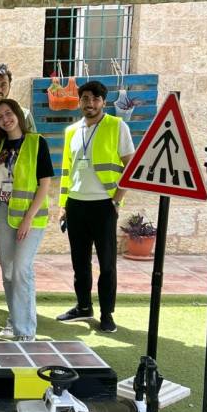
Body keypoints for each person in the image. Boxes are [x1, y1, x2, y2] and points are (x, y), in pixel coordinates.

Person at [57, 80, 134, 333]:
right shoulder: (71, 131)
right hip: (76, 204)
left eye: (95, 99)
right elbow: (67, 171)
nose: (90, 103)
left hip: (104, 205)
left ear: (103, 102)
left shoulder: (116, 126)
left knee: (107, 264)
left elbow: (131, 166)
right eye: (85, 98)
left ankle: (106, 314)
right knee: (80, 262)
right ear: (79, 101)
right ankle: (83, 307)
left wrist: (117, 199)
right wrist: (63, 205)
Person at [0, 98, 54, 341]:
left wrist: (28, 218)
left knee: (21, 269)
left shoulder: (37, 142)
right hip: (1, 213)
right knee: (8, 272)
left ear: (18, 114)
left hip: (30, 217)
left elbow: (45, 184)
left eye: (8, 113)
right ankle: (14, 321)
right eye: (0, 117)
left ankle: (26, 331)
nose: (5, 119)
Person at [0, 63, 36, 317]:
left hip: (16, 198)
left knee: (17, 260)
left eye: (3, 85)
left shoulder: (24, 115)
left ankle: (20, 310)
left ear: (10, 86)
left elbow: (33, 154)